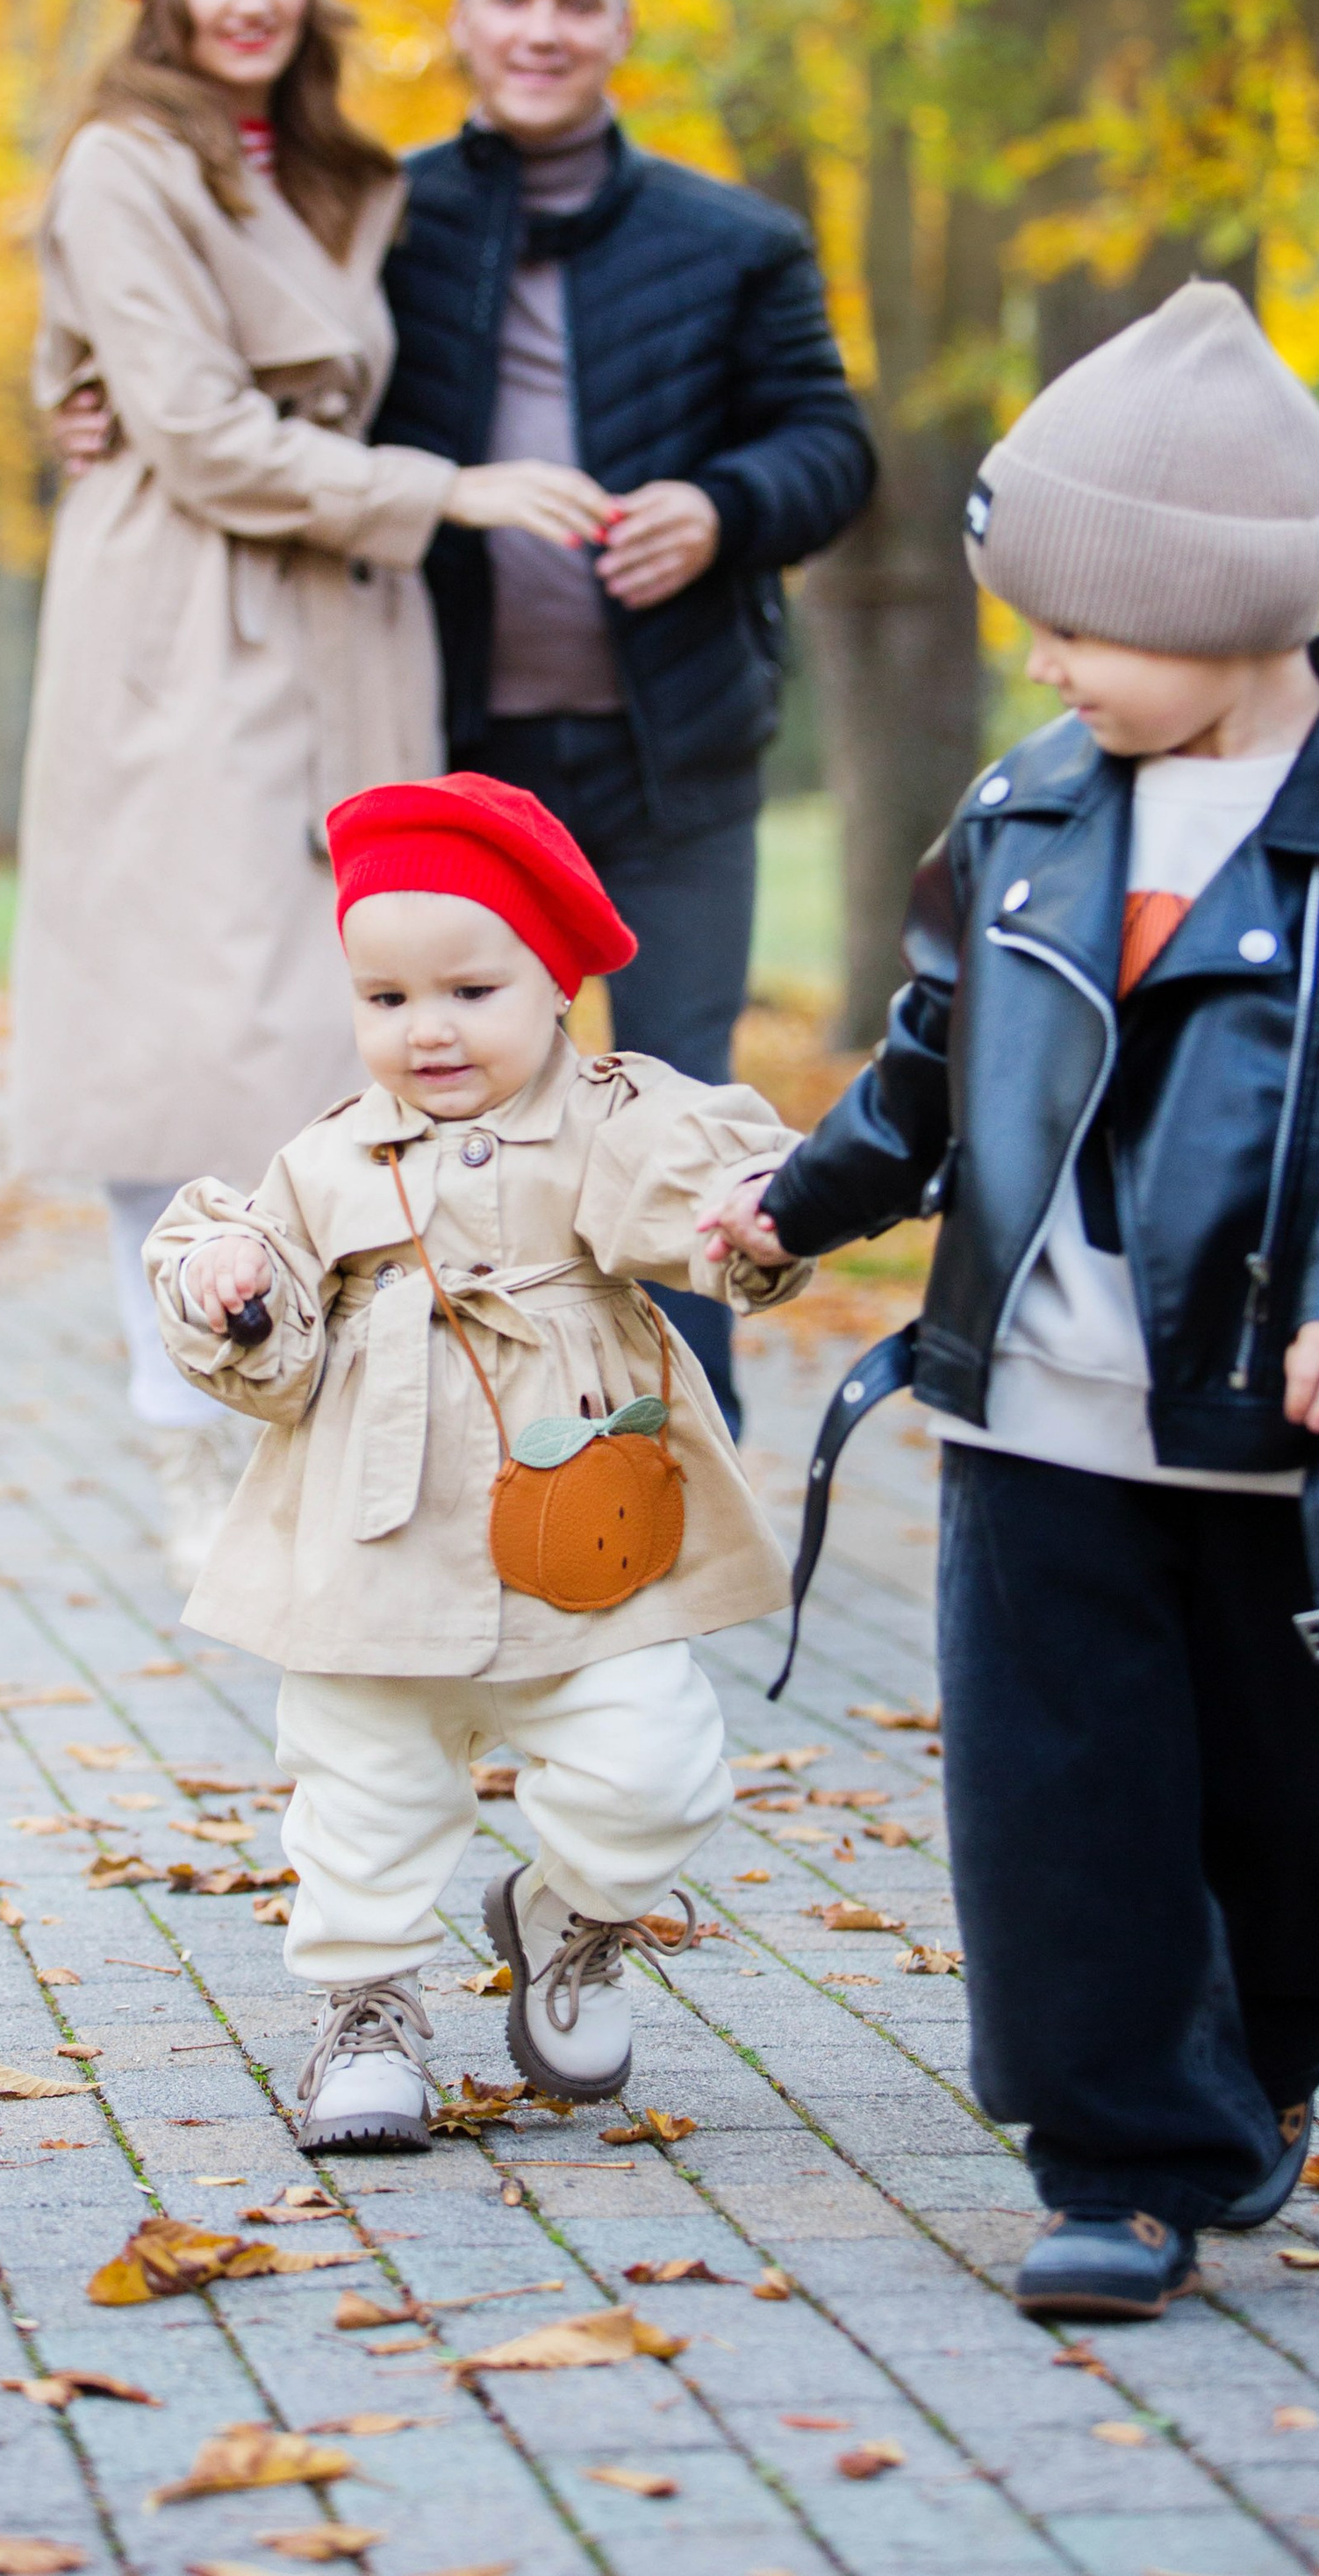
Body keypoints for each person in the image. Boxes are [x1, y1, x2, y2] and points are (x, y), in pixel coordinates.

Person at [699, 279, 1319, 2322]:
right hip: (1041, 1405)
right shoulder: (1028, 807)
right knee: (1062, 1794)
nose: (1050, 665)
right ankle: (1118, 2161)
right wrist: (799, 1204)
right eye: (1035, 630)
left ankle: (1258, 2058)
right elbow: (930, 1056)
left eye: (1086, 627)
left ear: (1234, 611)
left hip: (1283, 1408)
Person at [11, 0, 613, 1580]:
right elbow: (191, 429)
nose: (249, 4)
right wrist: (456, 491)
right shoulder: (125, 163)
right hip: (189, 619)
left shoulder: (344, 172)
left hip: (344, 620)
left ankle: (325, 1430)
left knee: (334, 1022)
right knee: (182, 1032)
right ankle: (186, 1431)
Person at [143, 772, 804, 2153]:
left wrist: (750, 1218)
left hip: (587, 1522)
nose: (425, 1029)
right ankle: (368, 2010)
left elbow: (706, 1198)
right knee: (365, 1781)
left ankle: (573, 1908)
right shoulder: (331, 1158)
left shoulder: (617, 1115)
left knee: (655, 1765)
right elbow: (277, 1340)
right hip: (371, 1539)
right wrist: (232, 1286)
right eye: (385, 999)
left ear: (551, 983)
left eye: (468, 989)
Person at [373, 0, 877, 1433]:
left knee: (672, 1115)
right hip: (460, 767)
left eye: (575, 2)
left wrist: (722, 509)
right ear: (463, 22)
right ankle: (486, 1455)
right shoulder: (379, 223)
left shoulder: (735, 241)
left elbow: (833, 449)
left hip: (675, 754)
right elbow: (256, 395)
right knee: (465, 1111)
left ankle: (683, 1459)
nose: (541, 29)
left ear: (621, 31)